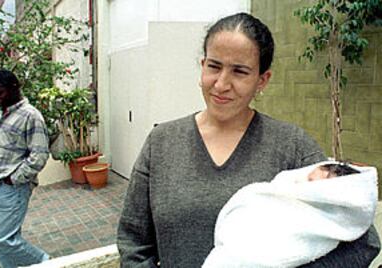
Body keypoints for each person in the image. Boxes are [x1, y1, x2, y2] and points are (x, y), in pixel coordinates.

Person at [117, 12, 381, 268]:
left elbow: (365, 242)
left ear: (262, 80)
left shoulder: (292, 147)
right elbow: (133, 242)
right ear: (202, 66)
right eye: (214, 66)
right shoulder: (162, 142)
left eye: (239, 71)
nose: (221, 84)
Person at [203, 161, 378, 267]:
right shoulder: (269, 192)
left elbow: (370, 242)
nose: (308, 185)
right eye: (310, 178)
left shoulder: (323, 219)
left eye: (318, 186)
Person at [0, 69, 50, 268]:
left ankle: (48, 264)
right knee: (4, 243)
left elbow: (39, 156)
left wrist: (14, 178)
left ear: (14, 88)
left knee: (2, 240)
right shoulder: (6, 113)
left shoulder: (31, 116)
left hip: (12, 188)